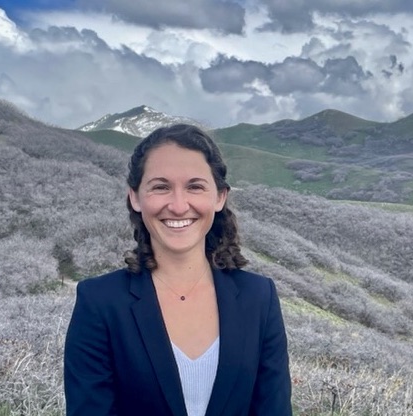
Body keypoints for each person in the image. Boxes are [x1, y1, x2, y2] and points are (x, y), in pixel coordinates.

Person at [64, 124, 292, 415]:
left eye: (195, 186)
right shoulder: (99, 302)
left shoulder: (259, 297)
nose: (178, 205)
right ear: (135, 197)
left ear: (220, 197)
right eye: (161, 187)